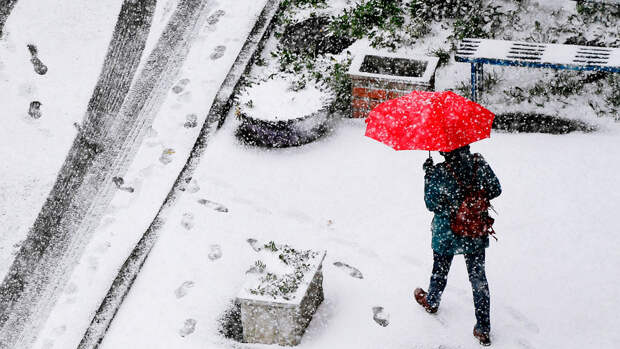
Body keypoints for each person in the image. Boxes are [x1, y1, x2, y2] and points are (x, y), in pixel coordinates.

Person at [414, 145, 501, 346]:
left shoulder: (438, 171)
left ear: (443, 151)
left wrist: (428, 174)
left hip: (447, 232)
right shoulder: (479, 163)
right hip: (474, 229)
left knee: (440, 269)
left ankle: (432, 301)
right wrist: (473, 198)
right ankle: (483, 328)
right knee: (478, 279)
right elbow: (496, 189)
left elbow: (431, 204)